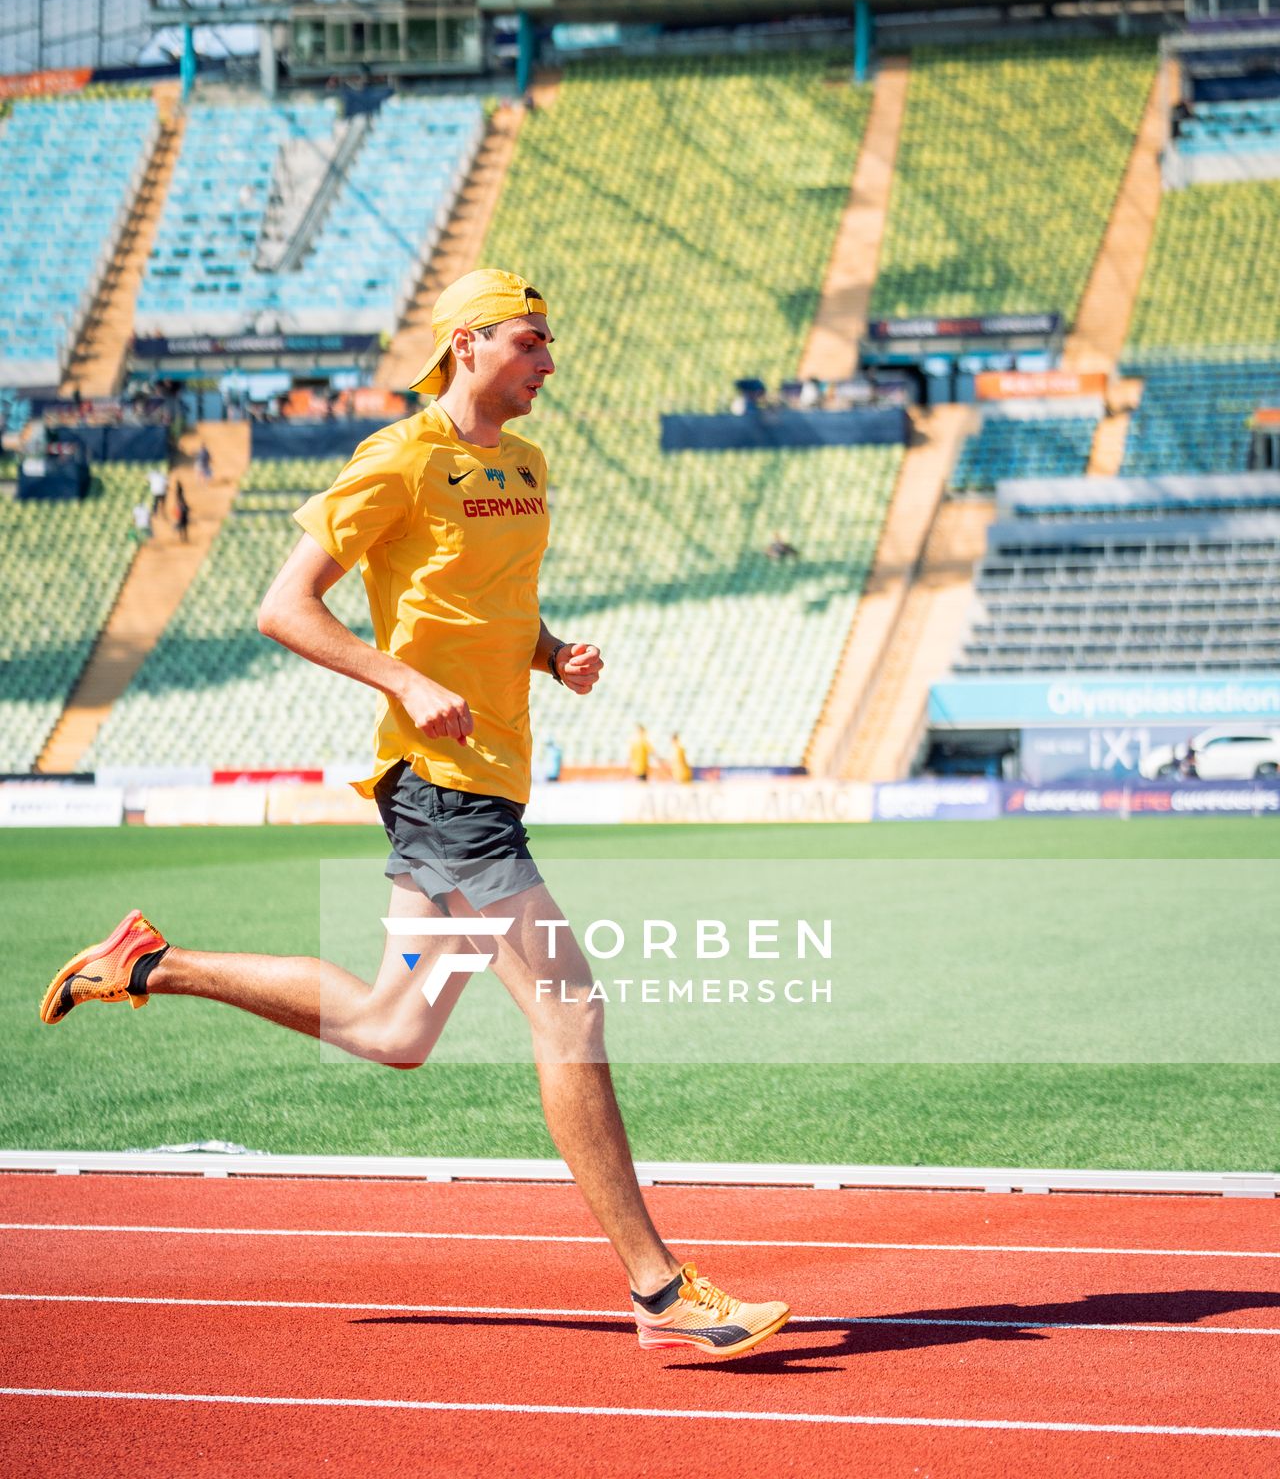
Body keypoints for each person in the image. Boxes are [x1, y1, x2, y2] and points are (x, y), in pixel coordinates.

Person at [37, 267, 787, 1363]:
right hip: (443, 789)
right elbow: (284, 606)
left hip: (484, 780)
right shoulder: (397, 458)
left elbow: (484, 599)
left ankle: (150, 963)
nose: (546, 360)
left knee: (395, 1032)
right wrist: (399, 680)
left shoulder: (524, 464)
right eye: (529, 340)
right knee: (570, 1010)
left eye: (547, 341)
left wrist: (548, 652)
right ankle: (659, 1291)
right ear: (468, 344)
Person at [172, 478, 190, 544]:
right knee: (184, 529)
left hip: (181, 519)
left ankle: (183, 539)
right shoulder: (183, 506)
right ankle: (184, 539)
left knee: (182, 529)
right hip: (183, 519)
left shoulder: (180, 506)